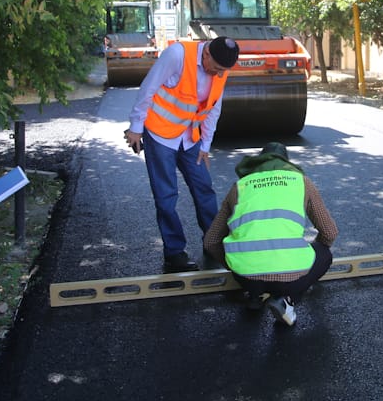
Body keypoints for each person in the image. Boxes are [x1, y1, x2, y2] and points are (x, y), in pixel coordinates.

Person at [125, 36, 240, 273]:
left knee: (204, 188)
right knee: (166, 195)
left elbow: (214, 108)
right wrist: (136, 127)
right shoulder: (177, 54)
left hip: (190, 138)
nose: (219, 74)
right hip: (160, 134)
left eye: (223, 70)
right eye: (217, 68)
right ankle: (174, 253)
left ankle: (213, 243)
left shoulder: (221, 69)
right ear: (206, 54)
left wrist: (205, 145)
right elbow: (148, 87)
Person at [203, 142, 338, 327]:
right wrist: (311, 251)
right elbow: (330, 232)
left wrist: (235, 264)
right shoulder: (301, 182)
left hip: (246, 278)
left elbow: (211, 242)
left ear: (257, 162)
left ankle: (255, 295)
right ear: (287, 163)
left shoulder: (239, 186)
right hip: (291, 279)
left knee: (248, 261)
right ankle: (287, 300)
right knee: (324, 254)